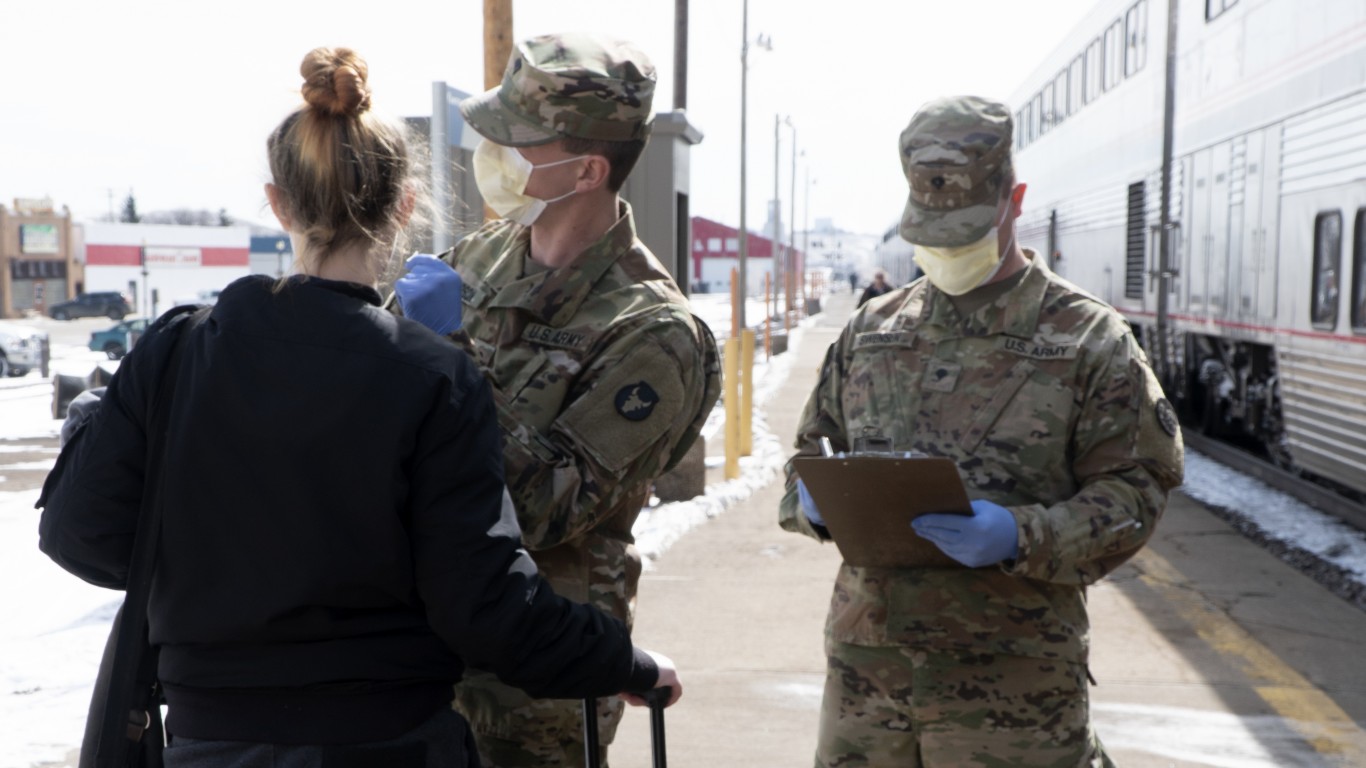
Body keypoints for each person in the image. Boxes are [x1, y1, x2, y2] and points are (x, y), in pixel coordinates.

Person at [38, 47, 679, 768]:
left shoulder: (175, 353)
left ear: (278, 201)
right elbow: (482, 603)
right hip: (387, 738)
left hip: (210, 738)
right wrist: (620, 662)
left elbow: (81, 535)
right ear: (406, 207)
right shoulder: (433, 374)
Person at [779, 95, 1183, 767]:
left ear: (1013, 199)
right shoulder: (871, 330)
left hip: (1013, 693)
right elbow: (808, 452)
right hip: (867, 679)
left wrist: (1022, 535)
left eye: (964, 232)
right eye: (930, 235)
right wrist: (812, 500)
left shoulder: (1086, 338)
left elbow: (1136, 492)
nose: (945, 251)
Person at [391, 33, 720, 768]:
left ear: (587, 169)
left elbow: (542, 505)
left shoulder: (655, 333)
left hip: (532, 685)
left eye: (517, 141)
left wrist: (448, 358)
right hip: (410, 650)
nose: (492, 152)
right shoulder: (474, 259)